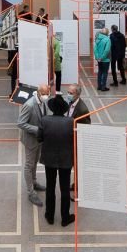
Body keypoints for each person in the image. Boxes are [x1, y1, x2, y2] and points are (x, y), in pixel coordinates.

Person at [38, 94, 75, 227]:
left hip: (49, 159)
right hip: (65, 159)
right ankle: (65, 218)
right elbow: (74, 140)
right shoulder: (71, 121)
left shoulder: (45, 120)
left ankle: (50, 215)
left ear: (52, 108)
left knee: (50, 187)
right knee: (65, 189)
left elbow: (39, 138)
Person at [17, 84, 48, 206]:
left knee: (35, 162)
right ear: (38, 93)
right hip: (30, 140)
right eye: (44, 94)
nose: (46, 96)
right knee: (29, 165)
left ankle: (34, 182)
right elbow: (20, 123)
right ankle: (31, 192)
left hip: (39, 139)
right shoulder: (29, 105)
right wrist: (37, 129)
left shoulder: (43, 102)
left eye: (47, 93)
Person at [93, 27, 111, 92]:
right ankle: (103, 87)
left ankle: (99, 86)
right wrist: (102, 58)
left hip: (99, 60)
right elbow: (107, 50)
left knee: (100, 72)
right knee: (105, 73)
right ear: (107, 33)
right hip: (105, 60)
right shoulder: (107, 39)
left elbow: (95, 49)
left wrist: (98, 58)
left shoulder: (97, 39)